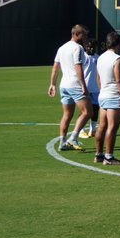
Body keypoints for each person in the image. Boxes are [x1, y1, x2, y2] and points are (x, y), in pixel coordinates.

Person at [48, 24, 91, 152]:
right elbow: (78, 67)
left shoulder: (62, 48)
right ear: (76, 34)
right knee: (87, 112)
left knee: (67, 114)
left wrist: (52, 84)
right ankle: (73, 137)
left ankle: (62, 142)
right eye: (84, 34)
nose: (85, 37)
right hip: (74, 84)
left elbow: (55, 67)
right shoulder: (77, 48)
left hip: (64, 85)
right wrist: (83, 85)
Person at [93, 32, 120, 165]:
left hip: (103, 95)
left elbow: (98, 78)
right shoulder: (117, 58)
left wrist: (102, 90)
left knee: (102, 126)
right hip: (114, 95)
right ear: (119, 44)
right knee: (112, 127)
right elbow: (119, 81)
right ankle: (109, 157)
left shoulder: (101, 57)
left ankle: (98, 155)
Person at [78, 37, 101, 140]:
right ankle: (81, 131)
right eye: (88, 46)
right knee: (84, 110)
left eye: (92, 47)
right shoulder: (82, 58)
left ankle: (92, 130)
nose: (90, 49)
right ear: (85, 47)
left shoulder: (98, 58)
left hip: (96, 88)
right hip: (85, 88)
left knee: (95, 109)